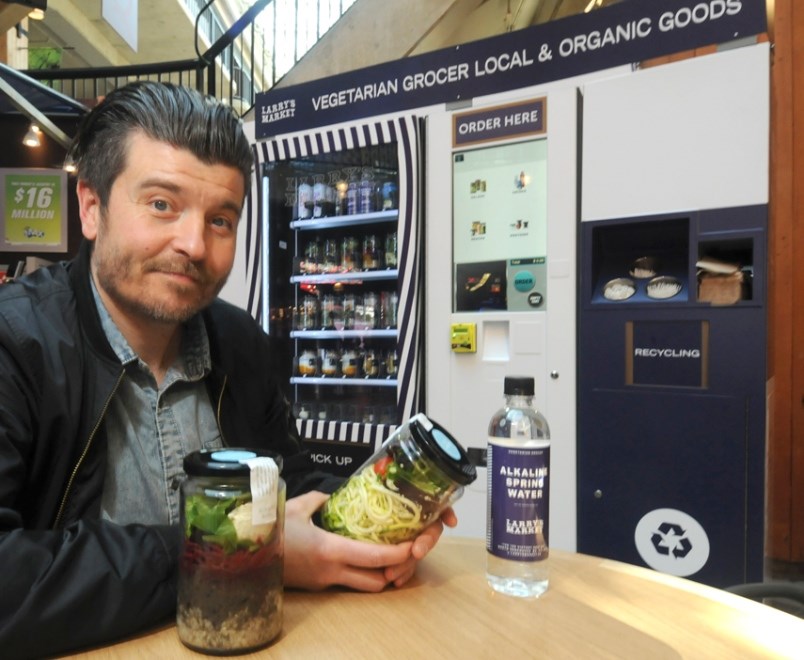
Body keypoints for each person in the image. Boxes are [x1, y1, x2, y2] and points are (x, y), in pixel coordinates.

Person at [0, 81, 456, 659]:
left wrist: (378, 519)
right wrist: (255, 550)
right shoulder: (16, 344)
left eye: (221, 220)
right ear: (92, 207)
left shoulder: (241, 344)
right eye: (162, 204)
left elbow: (292, 485)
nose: (194, 243)